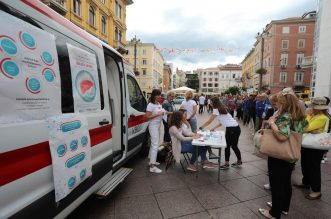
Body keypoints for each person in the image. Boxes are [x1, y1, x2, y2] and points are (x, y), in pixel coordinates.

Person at [258, 87, 307, 219]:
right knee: (285, 182)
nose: (276, 104)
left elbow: (282, 136)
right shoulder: (300, 115)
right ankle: (283, 207)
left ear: (284, 102)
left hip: (280, 154)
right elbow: (302, 129)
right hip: (291, 154)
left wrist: (272, 123)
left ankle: (274, 213)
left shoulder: (286, 116)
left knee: (276, 183)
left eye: (278, 102)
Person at [293, 97, 330, 200]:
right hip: (308, 144)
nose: (310, 107)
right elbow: (304, 128)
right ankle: (306, 182)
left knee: (314, 168)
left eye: (312, 106)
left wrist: (308, 116)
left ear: (317, 107)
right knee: (305, 164)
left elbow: (304, 127)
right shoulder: (315, 115)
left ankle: (316, 190)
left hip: (315, 147)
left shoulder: (322, 117)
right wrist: (308, 127)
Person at [199, 96, 242, 169]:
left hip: (232, 129)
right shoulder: (221, 108)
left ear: (214, 103)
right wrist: (213, 128)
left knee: (228, 146)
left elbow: (209, 121)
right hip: (236, 128)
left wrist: (201, 127)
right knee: (234, 146)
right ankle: (239, 161)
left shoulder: (216, 110)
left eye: (211, 103)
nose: (210, 104)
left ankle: (226, 164)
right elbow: (222, 122)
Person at [145, 89, 168, 173]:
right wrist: (157, 114)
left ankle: (151, 161)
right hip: (153, 126)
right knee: (155, 145)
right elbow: (147, 117)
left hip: (158, 125)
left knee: (154, 144)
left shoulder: (159, 104)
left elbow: (163, 112)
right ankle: (152, 167)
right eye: (157, 95)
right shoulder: (150, 105)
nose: (159, 96)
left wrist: (170, 113)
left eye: (160, 94)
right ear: (154, 95)